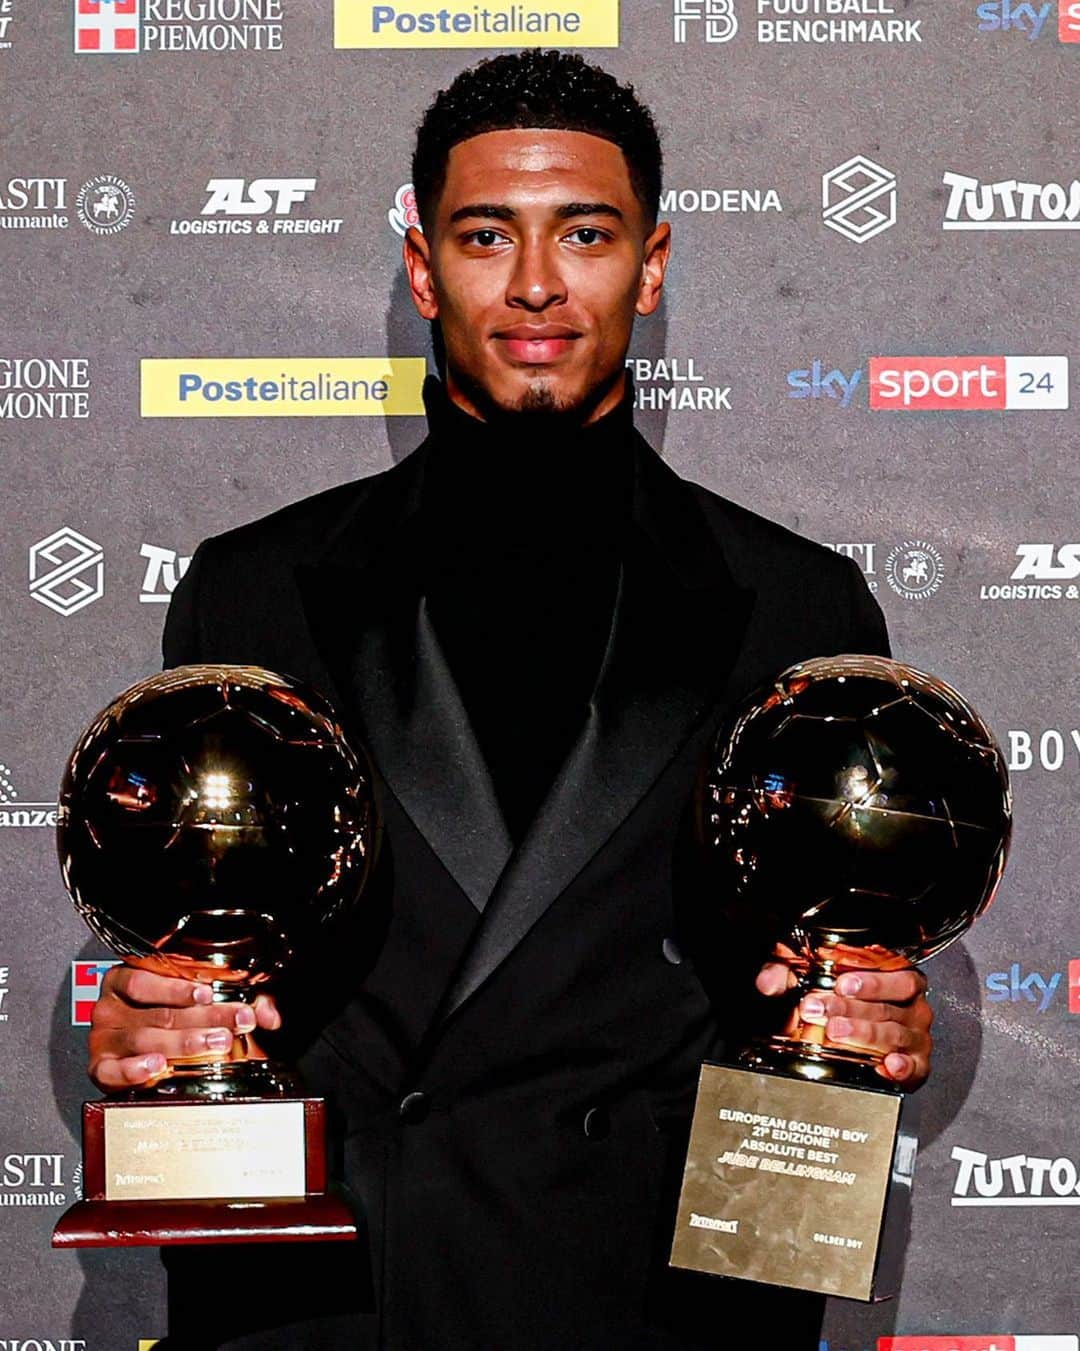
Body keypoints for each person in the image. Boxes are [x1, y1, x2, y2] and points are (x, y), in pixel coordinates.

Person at [87, 50, 932, 1350]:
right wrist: (162, 1037)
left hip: (650, 1309)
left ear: (650, 264)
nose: (536, 282)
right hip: (339, 1310)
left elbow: (808, 1024)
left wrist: (856, 1023)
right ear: (425, 266)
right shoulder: (249, 595)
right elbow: (211, 971)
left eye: (584, 233)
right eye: (488, 234)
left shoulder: (798, 610)